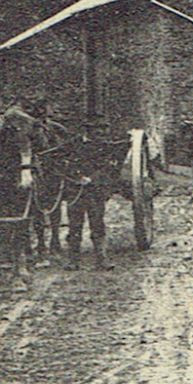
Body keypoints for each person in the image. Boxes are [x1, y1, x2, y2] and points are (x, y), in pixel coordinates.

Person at [64, 115, 116, 270]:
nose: (99, 133)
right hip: (76, 190)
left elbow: (107, 166)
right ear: (88, 130)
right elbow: (60, 160)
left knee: (97, 224)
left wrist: (92, 178)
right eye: (96, 129)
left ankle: (102, 259)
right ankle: (73, 261)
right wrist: (76, 176)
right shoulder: (73, 144)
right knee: (74, 226)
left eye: (101, 129)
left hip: (95, 191)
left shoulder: (105, 146)